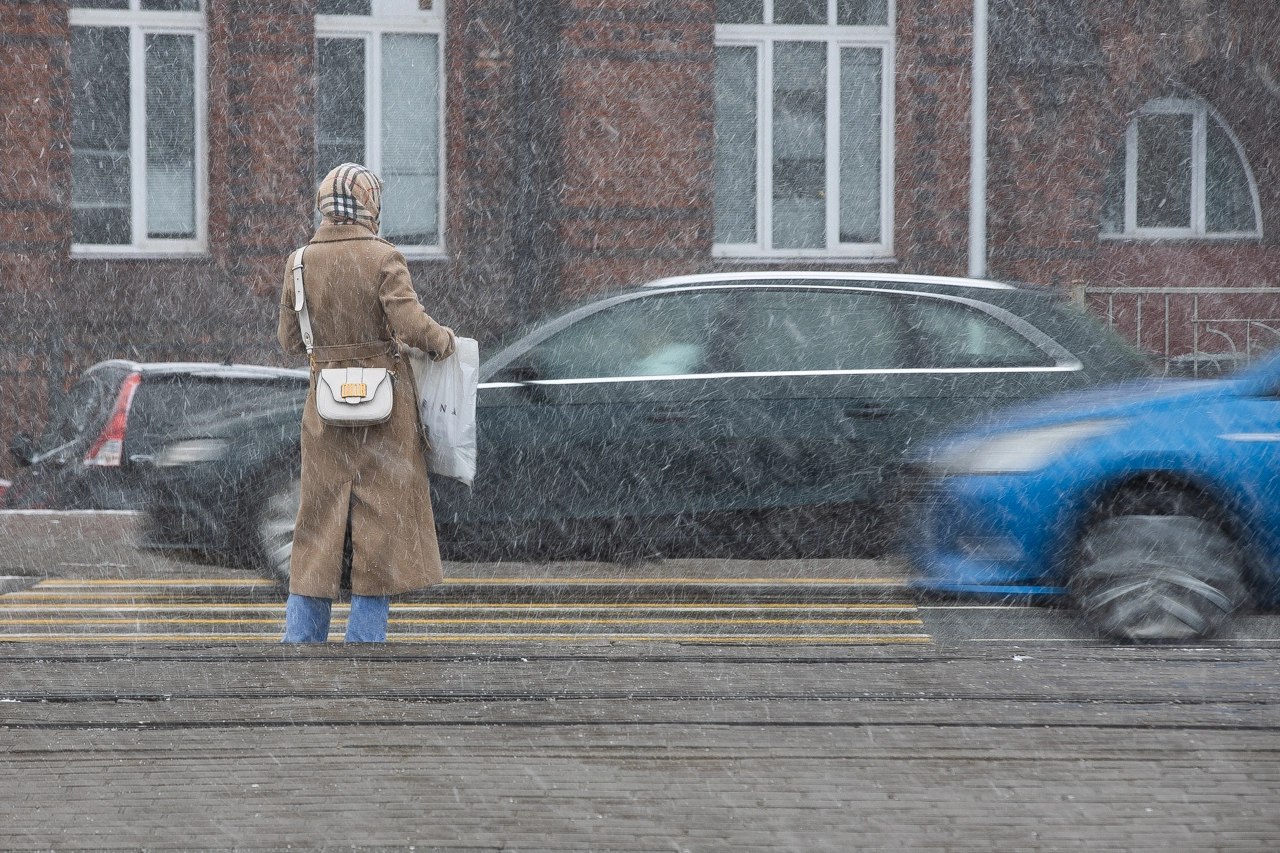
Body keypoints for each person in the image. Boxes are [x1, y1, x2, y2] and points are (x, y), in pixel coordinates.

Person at [277, 163, 456, 642]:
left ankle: (302, 637)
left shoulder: (298, 262)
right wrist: (443, 342)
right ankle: (364, 641)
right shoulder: (384, 257)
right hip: (384, 411)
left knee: (316, 523)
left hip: (325, 410)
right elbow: (413, 325)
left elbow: (290, 341)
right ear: (369, 204)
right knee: (379, 528)